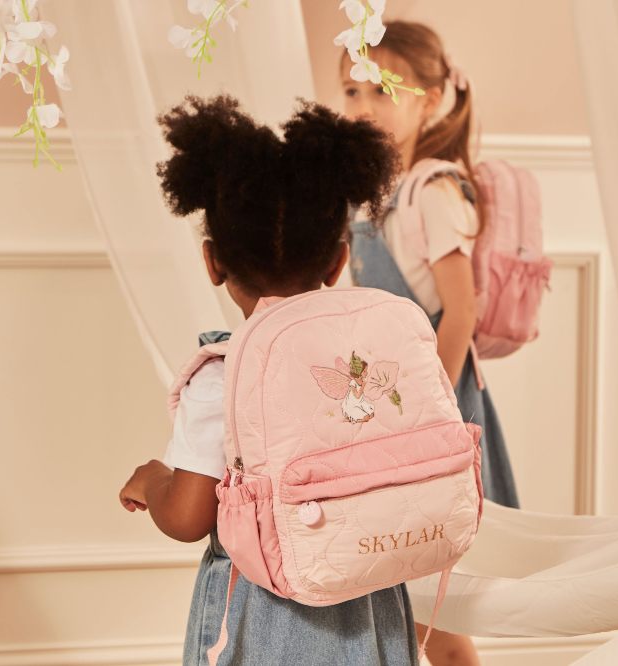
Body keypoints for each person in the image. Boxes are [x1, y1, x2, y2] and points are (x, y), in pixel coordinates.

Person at [119, 94, 420, 664]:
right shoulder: (367, 365)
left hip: (262, 617)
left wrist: (152, 479)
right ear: (337, 261)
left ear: (212, 261)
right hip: (368, 604)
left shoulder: (226, 375)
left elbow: (187, 517)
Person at [340, 20, 521, 665]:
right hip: (390, 408)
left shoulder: (434, 190)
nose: (362, 108)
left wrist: (428, 412)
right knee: (407, 593)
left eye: (381, 93)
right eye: (351, 92)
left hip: (437, 411)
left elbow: (460, 312)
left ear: (429, 98)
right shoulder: (372, 197)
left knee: (434, 596)